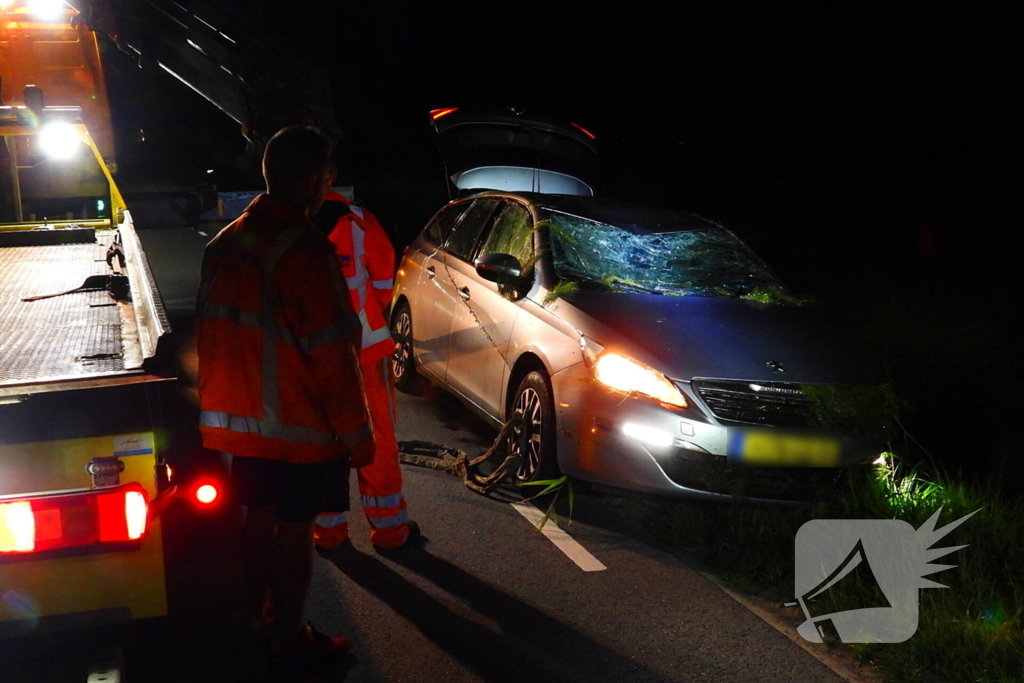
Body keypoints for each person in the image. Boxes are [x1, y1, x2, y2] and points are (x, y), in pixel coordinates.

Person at [195, 126, 374, 658]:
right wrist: (359, 439)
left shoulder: (224, 244)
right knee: (296, 528)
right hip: (299, 428)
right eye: (326, 174)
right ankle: (292, 635)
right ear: (311, 179)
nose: (330, 183)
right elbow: (333, 356)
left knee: (258, 515)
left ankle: (257, 614)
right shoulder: (305, 253)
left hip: (243, 425)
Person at [312, 189, 418, 551]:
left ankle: (328, 533)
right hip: (365, 352)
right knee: (377, 439)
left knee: (321, 441)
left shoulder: (285, 223)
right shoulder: (360, 222)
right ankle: (389, 531)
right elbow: (385, 283)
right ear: (330, 175)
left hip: (309, 356)